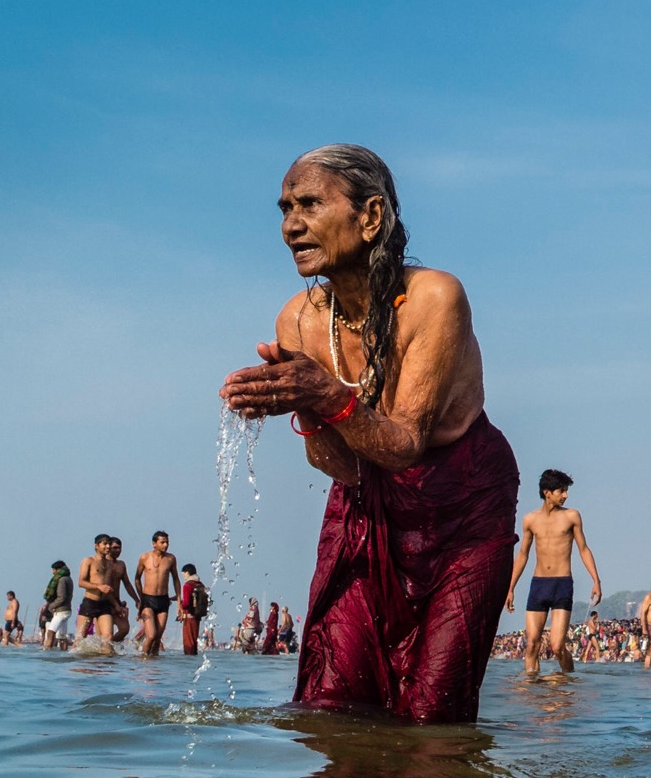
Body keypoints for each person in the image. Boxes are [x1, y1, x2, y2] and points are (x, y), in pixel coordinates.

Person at [221, 144, 519, 724]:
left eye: (309, 204)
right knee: (332, 704)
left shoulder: (434, 297)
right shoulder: (299, 319)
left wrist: (325, 394)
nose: (290, 225)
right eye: (284, 208)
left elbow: (406, 442)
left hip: (464, 509)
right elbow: (341, 467)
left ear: (371, 217)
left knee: (435, 714)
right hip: (367, 508)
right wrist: (302, 406)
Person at [505, 468, 604, 676]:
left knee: (557, 646)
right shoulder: (530, 520)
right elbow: (523, 554)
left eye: (566, 491)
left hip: (562, 584)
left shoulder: (571, 516)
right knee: (532, 643)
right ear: (547, 492)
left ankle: (569, 680)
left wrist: (596, 580)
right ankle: (533, 691)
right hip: (539, 584)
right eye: (561, 491)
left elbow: (583, 548)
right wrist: (511, 587)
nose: (565, 495)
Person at [77, 533, 133, 643]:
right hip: (90, 602)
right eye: (105, 544)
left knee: (108, 638)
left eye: (109, 544)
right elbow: (81, 582)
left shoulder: (109, 564)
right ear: (96, 546)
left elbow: (108, 590)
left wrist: (117, 606)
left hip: (104, 604)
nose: (108, 546)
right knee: (80, 639)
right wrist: (98, 587)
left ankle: (106, 659)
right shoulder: (88, 561)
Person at [136, 531, 178, 655]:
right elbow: (137, 578)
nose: (165, 545)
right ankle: (143, 659)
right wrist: (141, 598)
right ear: (154, 544)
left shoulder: (170, 558)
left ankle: (154, 663)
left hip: (163, 600)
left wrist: (179, 602)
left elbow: (176, 579)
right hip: (148, 599)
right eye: (162, 542)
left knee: (158, 637)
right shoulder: (144, 557)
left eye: (167, 542)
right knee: (151, 635)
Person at [43, 560, 74, 649]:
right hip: (67, 610)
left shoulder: (61, 579)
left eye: (53, 569)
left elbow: (61, 597)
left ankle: (47, 653)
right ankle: (63, 654)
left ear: (58, 569)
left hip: (61, 611)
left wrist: (51, 606)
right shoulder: (68, 578)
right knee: (62, 636)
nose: (52, 572)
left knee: (50, 632)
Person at [178, 563, 207, 656]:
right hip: (197, 616)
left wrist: (180, 606)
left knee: (188, 644)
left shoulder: (187, 585)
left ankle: (188, 665)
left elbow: (186, 603)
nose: (184, 576)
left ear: (187, 572)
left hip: (188, 617)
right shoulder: (200, 584)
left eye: (184, 574)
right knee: (194, 642)